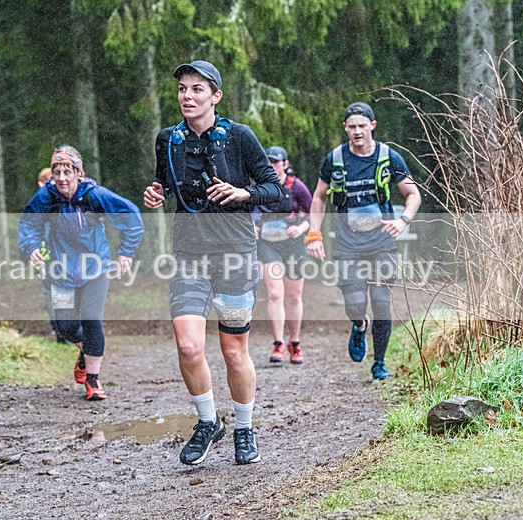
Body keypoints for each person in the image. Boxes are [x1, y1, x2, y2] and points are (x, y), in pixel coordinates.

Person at [143, 60, 282, 465]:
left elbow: (273, 189)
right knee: (188, 347)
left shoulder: (240, 137)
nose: (187, 96)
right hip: (188, 254)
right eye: (183, 89)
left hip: (235, 253)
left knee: (234, 352)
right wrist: (157, 193)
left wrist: (243, 194)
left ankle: (244, 427)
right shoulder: (168, 139)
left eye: (197, 89)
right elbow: (164, 184)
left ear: (216, 96)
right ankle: (208, 422)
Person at [306, 102, 421, 380]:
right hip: (347, 243)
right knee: (356, 303)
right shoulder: (334, 159)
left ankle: (379, 362)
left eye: (362, 126)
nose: (357, 131)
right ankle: (359, 326)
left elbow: (413, 194)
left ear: (372, 125)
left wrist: (402, 220)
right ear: (345, 128)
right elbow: (319, 197)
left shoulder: (389, 157)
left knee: (381, 301)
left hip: (382, 241)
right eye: (351, 126)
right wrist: (314, 233)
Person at [20, 145, 144, 400]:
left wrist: (125, 253)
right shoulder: (47, 197)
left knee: (91, 319)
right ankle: (86, 352)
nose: (63, 178)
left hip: (94, 267)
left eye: (68, 171)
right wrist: (31, 246)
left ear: (79, 172)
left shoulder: (94, 195)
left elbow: (131, 217)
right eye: (57, 172)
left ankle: (93, 380)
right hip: (61, 271)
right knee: (65, 326)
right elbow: (28, 224)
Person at [253, 146, 312, 365]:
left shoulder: (296, 186)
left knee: (294, 296)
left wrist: (302, 227)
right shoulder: (259, 186)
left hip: (294, 245)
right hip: (269, 245)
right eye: (268, 162)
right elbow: (250, 210)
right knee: (275, 294)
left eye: (276, 162)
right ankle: (277, 343)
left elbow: (313, 211)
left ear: (285, 164)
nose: (272, 166)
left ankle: (294, 343)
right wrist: (253, 225)